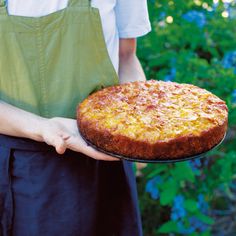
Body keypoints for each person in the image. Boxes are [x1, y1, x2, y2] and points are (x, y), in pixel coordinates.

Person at [0, 0, 151, 235]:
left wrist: (139, 124)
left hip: (105, 160)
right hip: (17, 167)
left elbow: (127, 57)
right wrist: (42, 127)